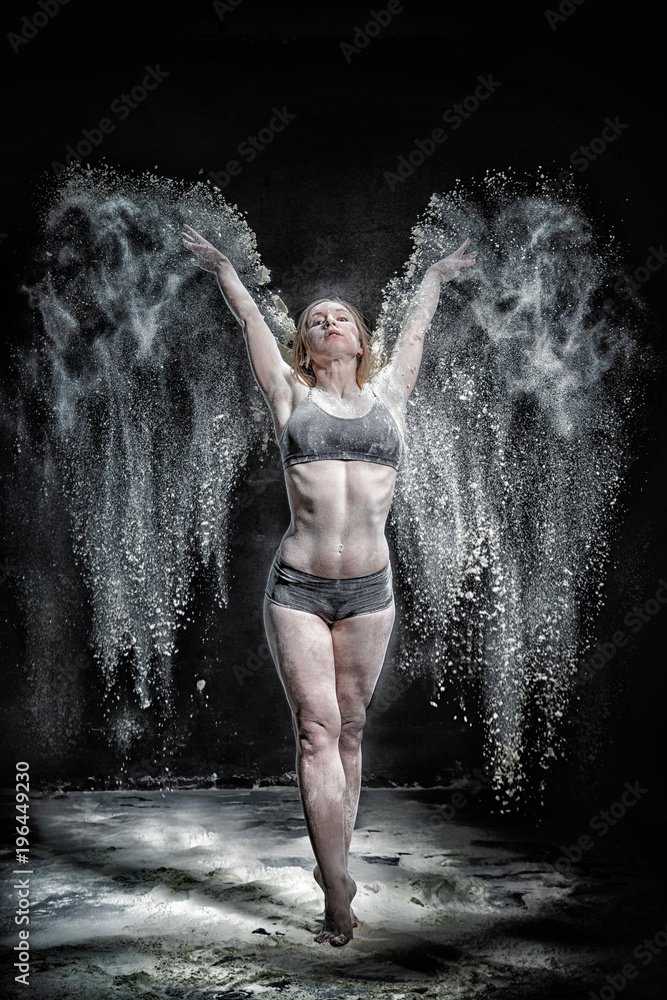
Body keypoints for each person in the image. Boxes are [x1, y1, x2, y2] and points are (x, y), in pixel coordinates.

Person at [181, 222, 477, 945]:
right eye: (313, 318)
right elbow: (251, 317)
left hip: (370, 591)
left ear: (357, 338)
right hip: (299, 591)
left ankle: (334, 864)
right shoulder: (289, 396)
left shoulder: (390, 397)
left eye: (338, 314)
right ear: (304, 344)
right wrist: (223, 268)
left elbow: (415, 332)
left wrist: (435, 277)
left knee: (351, 733)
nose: (325, 320)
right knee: (317, 733)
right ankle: (335, 898)